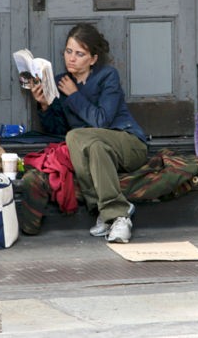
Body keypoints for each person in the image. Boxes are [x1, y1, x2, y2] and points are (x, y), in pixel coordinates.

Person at [29, 23, 148, 243]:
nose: (71, 58)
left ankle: (108, 209)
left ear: (92, 59)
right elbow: (58, 131)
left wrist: (74, 95)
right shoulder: (61, 82)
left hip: (128, 143)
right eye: (68, 51)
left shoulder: (107, 76)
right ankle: (116, 215)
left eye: (79, 54)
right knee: (90, 145)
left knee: (76, 136)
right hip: (98, 153)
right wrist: (45, 105)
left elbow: (102, 120)